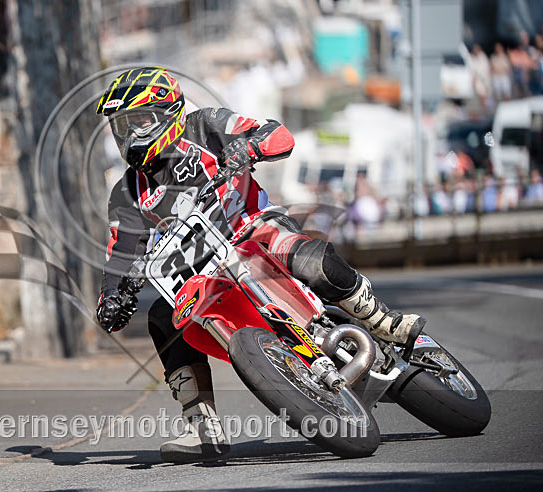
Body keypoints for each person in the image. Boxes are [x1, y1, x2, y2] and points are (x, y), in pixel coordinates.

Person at [94, 67, 425, 462]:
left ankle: (383, 322)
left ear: (168, 113)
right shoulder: (126, 193)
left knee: (300, 253)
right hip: (203, 273)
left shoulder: (207, 126)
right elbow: (120, 252)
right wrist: (113, 295)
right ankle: (202, 425)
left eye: (138, 123)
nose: (129, 136)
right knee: (163, 316)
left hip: (253, 229)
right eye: (121, 126)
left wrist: (249, 147)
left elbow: (277, 134)